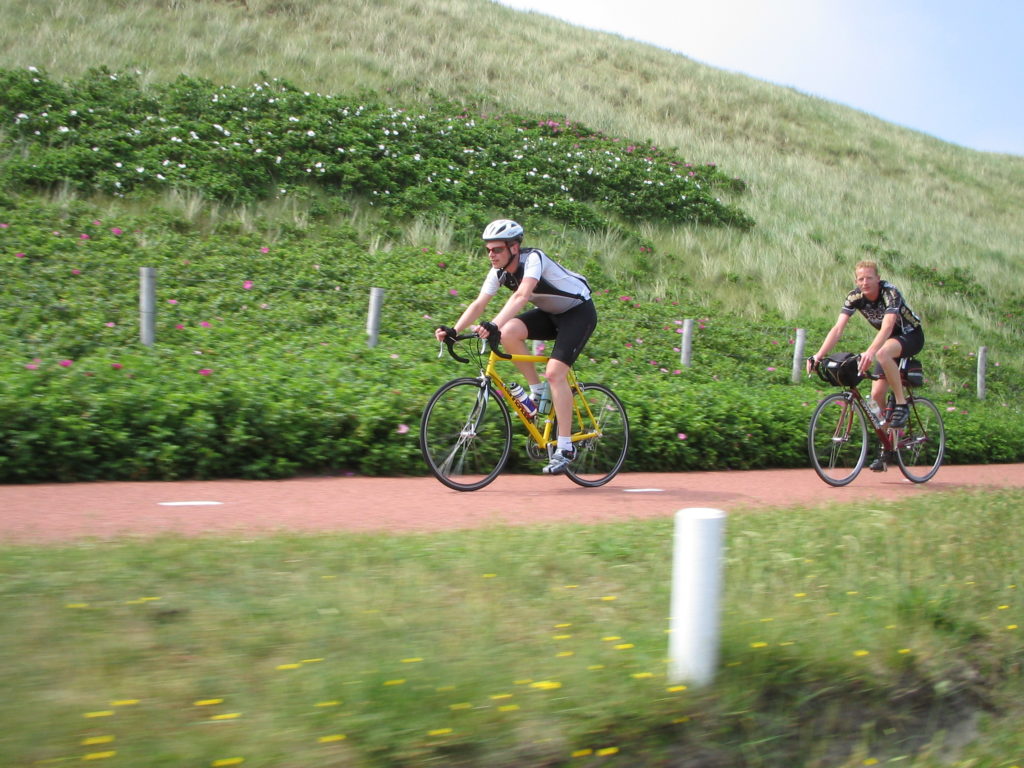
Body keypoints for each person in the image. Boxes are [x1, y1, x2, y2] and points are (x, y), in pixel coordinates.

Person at [434, 219, 597, 475]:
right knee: (510, 332)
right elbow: (479, 303)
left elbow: (521, 295)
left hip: (578, 313)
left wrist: (494, 324)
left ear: (514, 248)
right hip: (549, 313)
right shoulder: (498, 272)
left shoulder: (533, 259)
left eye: (497, 249)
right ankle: (537, 391)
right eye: (488, 249)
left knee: (555, 373)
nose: (491, 254)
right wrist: (454, 330)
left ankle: (565, 447)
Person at [807, 259, 924, 471]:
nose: (865, 282)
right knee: (876, 397)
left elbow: (888, 326)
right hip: (887, 344)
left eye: (869, 278)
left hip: (910, 336)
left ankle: (901, 404)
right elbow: (838, 329)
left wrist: (870, 352)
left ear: (878, 279)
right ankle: (888, 448)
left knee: (881, 353)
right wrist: (818, 355)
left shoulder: (890, 293)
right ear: (856, 281)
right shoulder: (855, 297)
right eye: (861, 278)